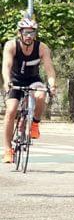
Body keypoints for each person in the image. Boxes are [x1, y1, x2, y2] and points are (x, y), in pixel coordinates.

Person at [3, 17, 56, 163]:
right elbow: (6, 66)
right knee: (11, 110)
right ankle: (8, 150)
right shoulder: (11, 45)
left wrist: (52, 85)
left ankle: (35, 123)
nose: (29, 36)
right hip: (15, 81)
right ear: (20, 33)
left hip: (33, 80)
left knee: (40, 95)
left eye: (32, 33)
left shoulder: (42, 48)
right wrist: (7, 82)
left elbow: (49, 69)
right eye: (26, 33)